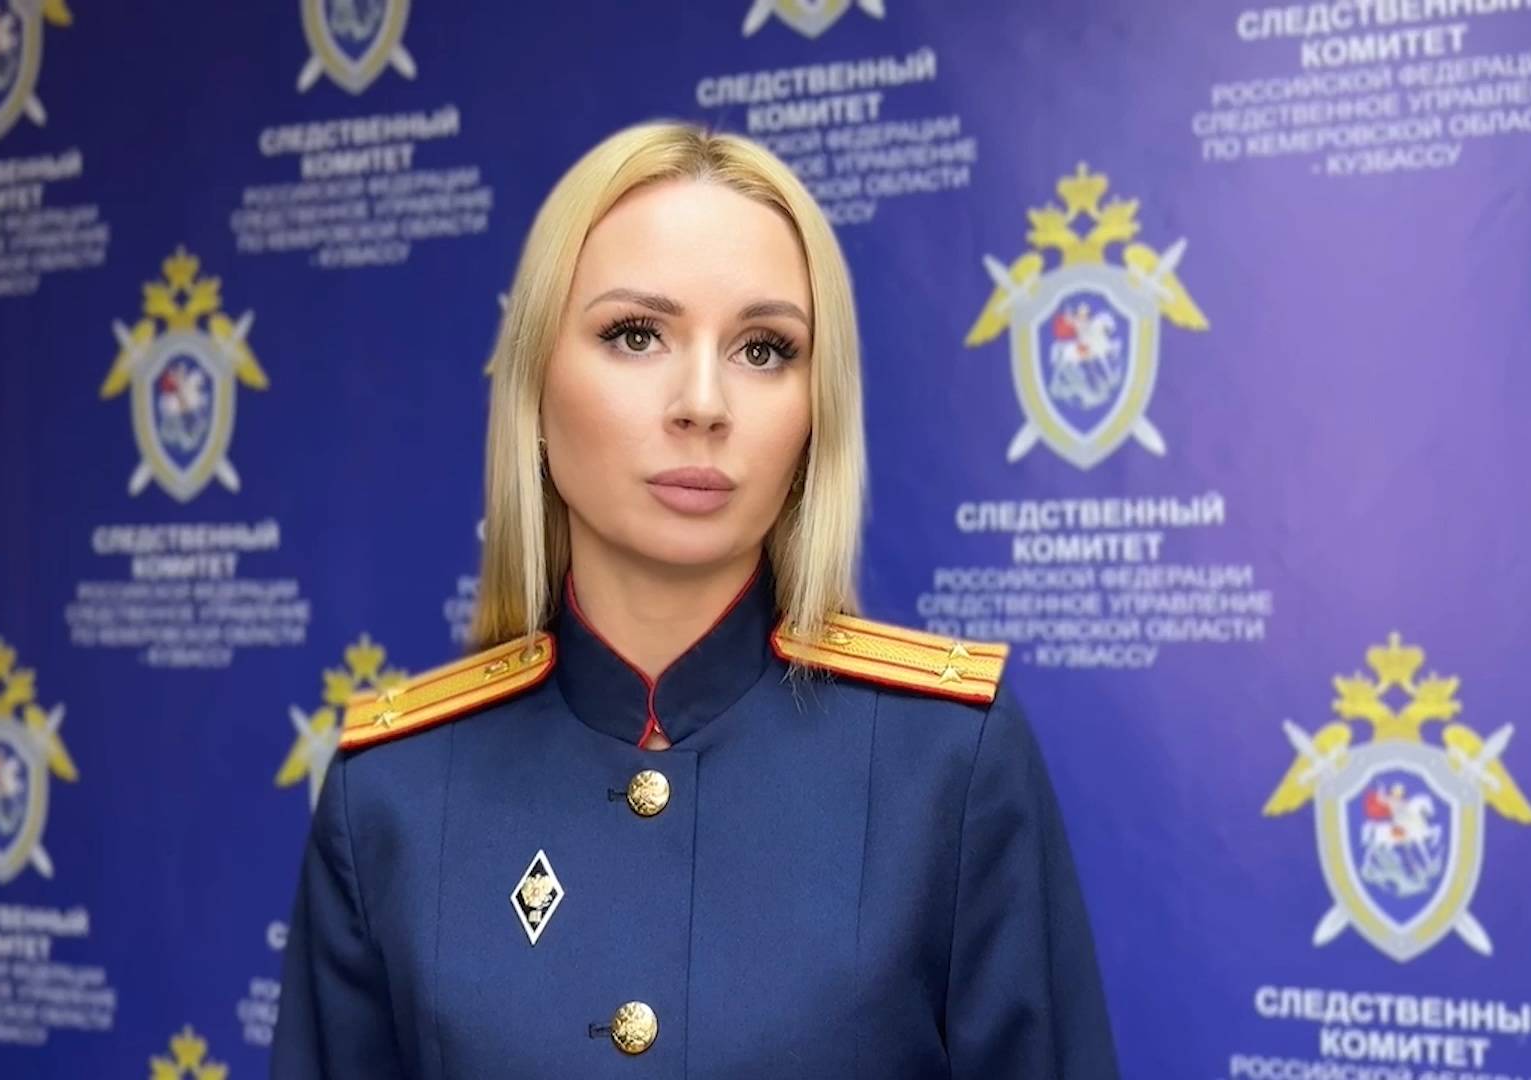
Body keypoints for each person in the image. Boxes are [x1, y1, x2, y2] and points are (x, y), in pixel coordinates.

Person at [273, 119, 1119, 1078]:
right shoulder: (391, 795)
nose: (704, 404)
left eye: (764, 349)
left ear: (816, 410)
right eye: (636, 335)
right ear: (535, 387)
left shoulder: (949, 766)